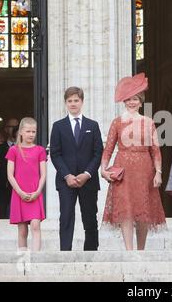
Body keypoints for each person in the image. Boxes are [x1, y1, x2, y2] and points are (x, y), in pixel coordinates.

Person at [101, 73, 166, 251]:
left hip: (144, 169)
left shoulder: (149, 122)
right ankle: (130, 251)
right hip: (123, 168)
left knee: (142, 210)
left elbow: (156, 151)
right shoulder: (117, 122)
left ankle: (141, 250)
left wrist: (158, 172)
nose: (132, 102)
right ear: (124, 101)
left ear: (141, 101)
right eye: (128, 99)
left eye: (135, 99)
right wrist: (103, 169)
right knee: (126, 210)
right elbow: (108, 149)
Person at [50, 87, 103, 251]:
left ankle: (91, 251)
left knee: (89, 217)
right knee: (66, 216)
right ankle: (65, 251)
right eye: (70, 101)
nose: (73, 104)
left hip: (88, 181)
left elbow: (98, 152)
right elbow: (55, 153)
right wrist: (67, 175)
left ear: (82, 101)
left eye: (76, 100)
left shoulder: (92, 125)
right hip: (66, 181)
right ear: (65, 103)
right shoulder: (58, 126)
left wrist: (87, 174)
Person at [5, 118, 47, 251]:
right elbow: (10, 175)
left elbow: (43, 174)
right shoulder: (13, 150)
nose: (31, 134)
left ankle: (36, 258)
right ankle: (23, 261)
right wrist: (20, 192)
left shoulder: (40, 150)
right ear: (21, 132)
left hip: (35, 193)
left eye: (33, 131)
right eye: (28, 131)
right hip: (19, 194)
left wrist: (38, 191)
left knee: (35, 225)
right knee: (22, 229)